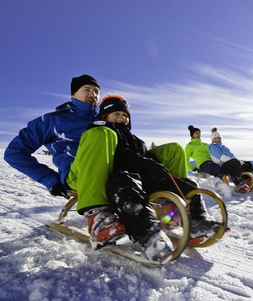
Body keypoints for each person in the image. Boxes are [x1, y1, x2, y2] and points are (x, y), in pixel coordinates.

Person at [85, 95, 221, 258]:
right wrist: (147, 164)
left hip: (145, 179)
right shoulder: (104, 134)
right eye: (117, 115)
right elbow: (121, 157)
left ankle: (197, 222)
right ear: (105, 116)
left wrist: (157, 167)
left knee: (187, 184)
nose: (122, 118)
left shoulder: (136, 141)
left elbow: (147, 158)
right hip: (121, 181)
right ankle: (149, 236)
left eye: (125, 116)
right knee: (126, 184)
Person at [208, 127, 253, 192]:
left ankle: (251, 181)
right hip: (221, 167)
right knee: (235, 162)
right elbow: (222, 157)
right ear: (212, 139)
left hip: (230, 164)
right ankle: (240, 184)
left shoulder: (224, 147)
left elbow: (232, 156)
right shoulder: (212, 147)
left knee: (247, 163)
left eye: (218, 137)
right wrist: (236, 161)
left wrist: (240, 162)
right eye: (215, 138)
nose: (217, 139)